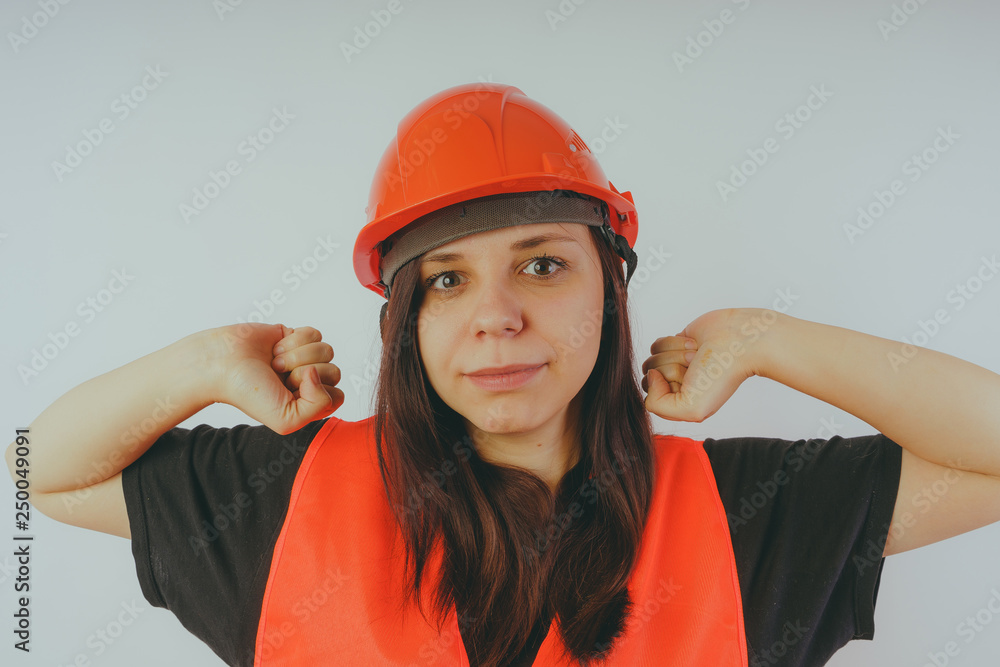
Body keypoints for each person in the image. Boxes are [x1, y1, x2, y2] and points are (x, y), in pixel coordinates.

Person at [7, 82, 1000, 667]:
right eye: (447, 279)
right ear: (405, 321)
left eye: (542, 264)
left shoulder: (746, 515)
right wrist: (203, 363)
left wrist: (763, 338)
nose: (497, 315)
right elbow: (31, 469)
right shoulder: (279, 497)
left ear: (611, 287)